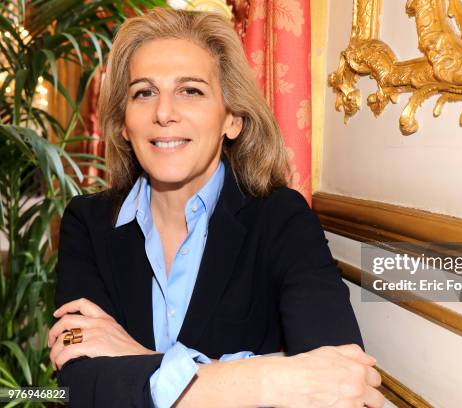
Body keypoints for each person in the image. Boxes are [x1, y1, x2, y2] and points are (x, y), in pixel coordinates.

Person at [46, 7, 384, 408]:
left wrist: (134, 358)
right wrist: (269, 378)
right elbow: (78, 386)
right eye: (144, 92)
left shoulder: (281, 218)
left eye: (191, 90)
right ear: (123, 123)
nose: (164, 113)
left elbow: (344, 385)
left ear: (233, 119)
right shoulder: (86, 222)